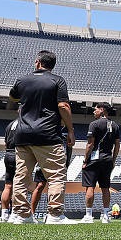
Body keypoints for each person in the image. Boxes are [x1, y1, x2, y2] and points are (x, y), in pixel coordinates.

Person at [8, 50, 76, 224]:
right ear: (52, 65)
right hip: (48, 135)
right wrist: (70, 130)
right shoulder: (57, 80)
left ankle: (23, 215)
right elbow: (63, 106)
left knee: (21, 177)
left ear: (37, 62)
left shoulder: (22, 79)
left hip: (23, 135)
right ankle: (54, 214)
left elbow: (13, 96)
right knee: (56, 175)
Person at [81, 102, 120, 223]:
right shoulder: (115, 125)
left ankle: (88, 215)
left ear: (102, 110)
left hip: (94, 159)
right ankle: (105, 216)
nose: (94, 111)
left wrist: (85, 160)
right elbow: (117, 145)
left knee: (90, 187)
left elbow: (90, 144)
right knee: (105, 188)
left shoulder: (94, 124)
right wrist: (113, 160)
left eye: (96, 109)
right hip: (108, 159)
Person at [0, 118, 18, 222]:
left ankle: (4, 215)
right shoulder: (26, 122)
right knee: (19, 185)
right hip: (19, 154)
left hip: (8, 153)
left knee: (8, 186)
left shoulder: (11, 124)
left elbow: (5, 142)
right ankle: (15, 213)